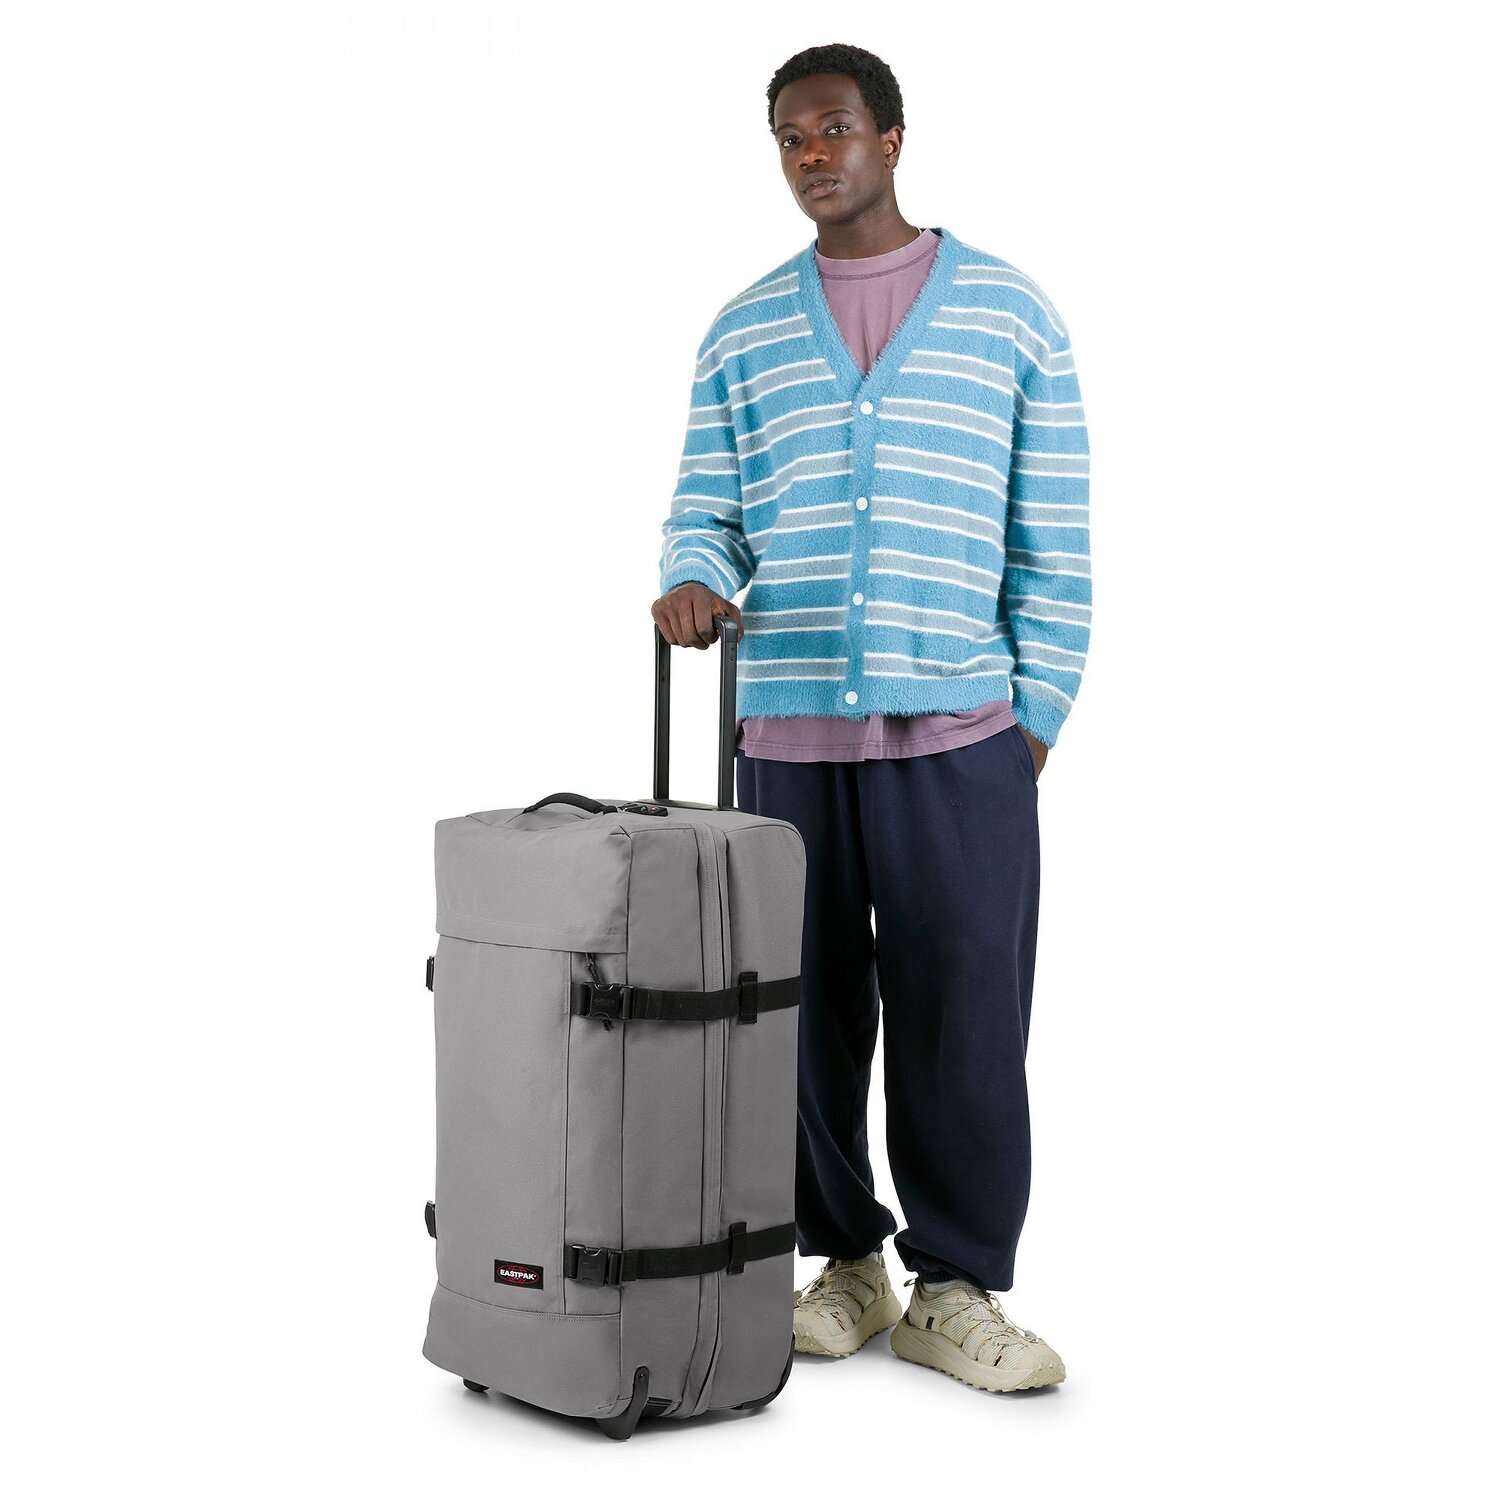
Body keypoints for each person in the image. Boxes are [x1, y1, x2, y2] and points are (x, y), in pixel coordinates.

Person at [650, 42, 1090, 1395]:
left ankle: (956, 1287)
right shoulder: (743, 330)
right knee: (799, 1010)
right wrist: (693, 575)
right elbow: (706, 508)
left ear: (890, 139)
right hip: (787, 731)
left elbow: (1052, 542)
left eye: (833, 130)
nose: (812, 157)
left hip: (962, 735)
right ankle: (846, 1262)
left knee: (966, 1011)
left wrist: (1029, 720)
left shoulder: (1011, 314)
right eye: (790, 138)